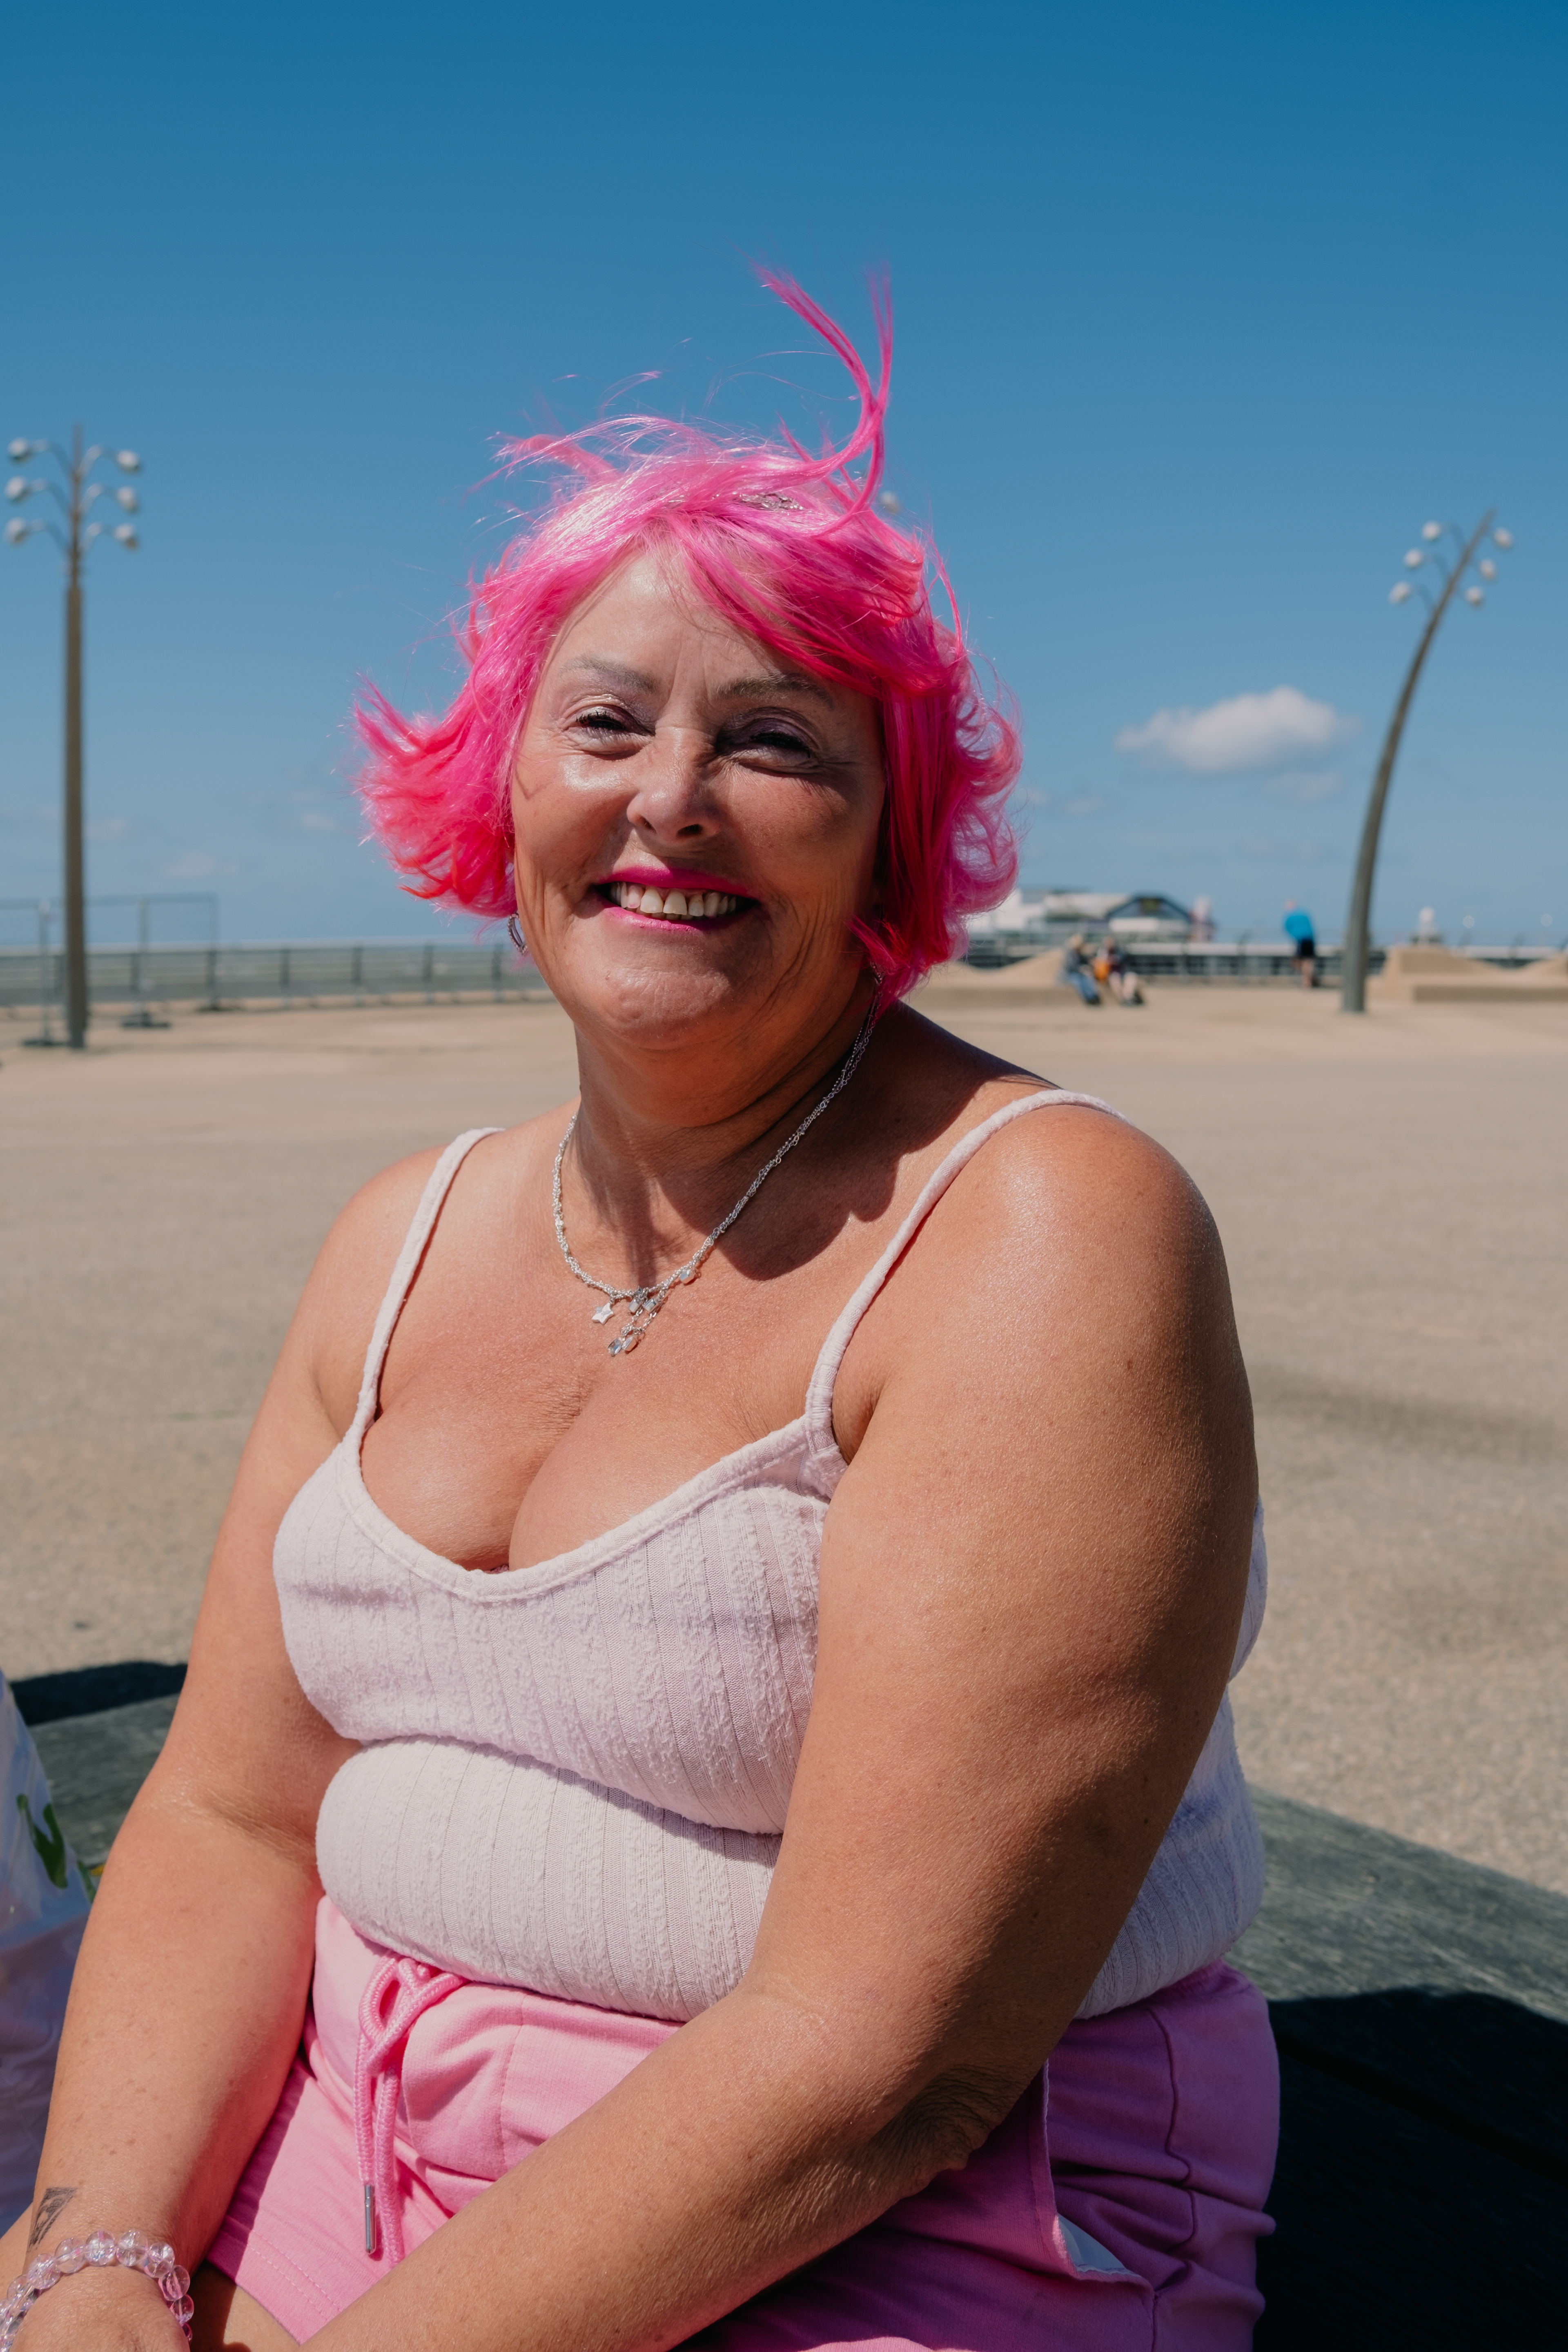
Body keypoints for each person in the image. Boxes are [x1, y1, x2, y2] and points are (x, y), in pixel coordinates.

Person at [1, 275, 1276, 2352]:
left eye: (774, 742)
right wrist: (93, 2267)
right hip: (361, 2110)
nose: (671, 798)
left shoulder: (1043, 1228)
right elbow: (234, 1814)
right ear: (500, 788)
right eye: (606, 723)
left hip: (913, 2210)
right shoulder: (397, 1232)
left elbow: (885, 2055)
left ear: (891, 834)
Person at [1056, 932, 1101, 1004]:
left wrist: (1090, 963)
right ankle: (1088, 998)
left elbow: (1085, 960)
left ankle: (1093, 996)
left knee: (1087, 979)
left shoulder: (1079, 953)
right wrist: (1081, 969)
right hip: (1068, 974)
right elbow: (1070, 966)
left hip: (1078, 973)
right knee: (1078, 981)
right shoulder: (1069, 954)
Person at [1282, 901, 1316, 988]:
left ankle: (1307, 982)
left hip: (1301, 940)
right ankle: (1308, 981)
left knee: (1299, 960)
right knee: (1308, 961)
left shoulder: (1290, 916)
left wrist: (1294, 935)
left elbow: (1286, 928)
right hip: (1310, 939)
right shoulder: (1305, 915)